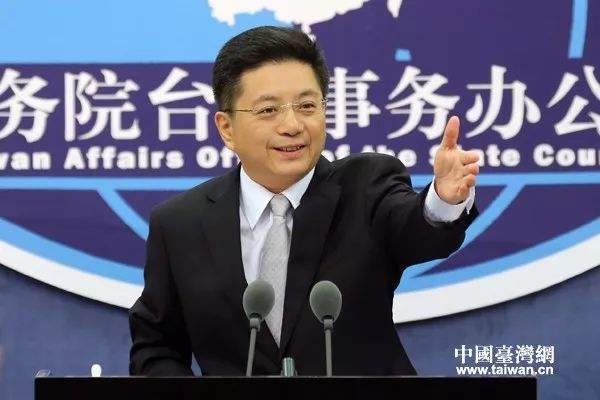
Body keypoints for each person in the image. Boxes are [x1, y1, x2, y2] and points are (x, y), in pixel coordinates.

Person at [129, 26, 480, 376]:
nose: (292, 125)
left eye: (307, 106)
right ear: (226, 128)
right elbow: (156, 348)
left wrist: (442, 200)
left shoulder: (366, 186)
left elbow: (415, 229)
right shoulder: (179, 224)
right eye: (269, 110)